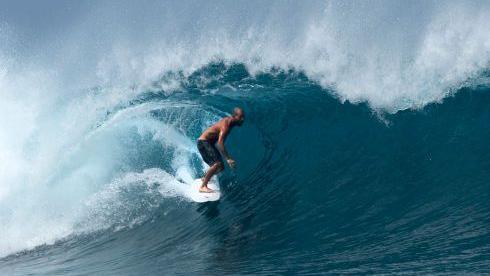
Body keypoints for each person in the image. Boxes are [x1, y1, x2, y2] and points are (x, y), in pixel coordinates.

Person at [197, 107, 245, 192]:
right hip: (204, 142)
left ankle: (205, 177)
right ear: (234, 116)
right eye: (240, 117)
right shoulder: (226, 125)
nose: (242, 119)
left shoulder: (230, 122)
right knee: (217, 164)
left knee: (221, 167)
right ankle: (203, 186)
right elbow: (220, 143)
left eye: (243, 117)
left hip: (208, 143)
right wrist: (228, 159)